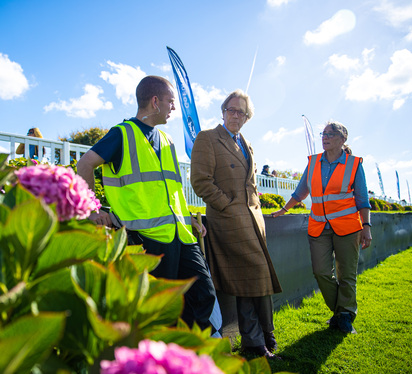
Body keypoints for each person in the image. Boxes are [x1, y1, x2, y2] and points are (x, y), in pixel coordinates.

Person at [77, 76, 216, 331]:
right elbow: (84, 164)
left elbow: (172, 190)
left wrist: (189, 219)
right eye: (170, 102)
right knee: (160, 310)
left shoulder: (167, 140)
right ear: (155, 102)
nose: (173, 107)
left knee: (203, 295)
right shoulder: (121, 134)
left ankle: (192, 354)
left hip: (181, 235)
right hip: (147, 238)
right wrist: (91, 211)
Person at [190, 90, 282, 359]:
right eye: (230, 109)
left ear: (247, 117)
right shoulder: (207, 138)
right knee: (248, 278)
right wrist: (228, 206)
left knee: (257, 278)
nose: (235, 115)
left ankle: (264, 337)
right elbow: (200, 181)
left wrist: (255, 210)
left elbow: (250, 185)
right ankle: (256, 343)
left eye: (241, 111)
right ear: (223, 111)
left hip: (254, 220)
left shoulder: (247, 143)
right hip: (229, 220)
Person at [271, 121, 372, 334]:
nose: (325, 137)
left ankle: (344, 316)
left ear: (343, 139)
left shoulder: (354, 164)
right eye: (323, 134)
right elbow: (300, 192)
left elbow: (362, 199)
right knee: (321, 272)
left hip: (348, 227)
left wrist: (367, 226)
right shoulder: (314, 162)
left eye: (330, 134)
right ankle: (340, 311)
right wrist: (284, 209)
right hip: (319, 226)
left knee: (347, 274)